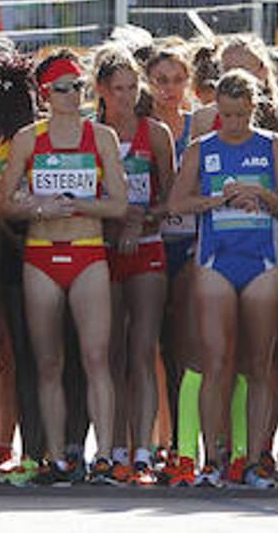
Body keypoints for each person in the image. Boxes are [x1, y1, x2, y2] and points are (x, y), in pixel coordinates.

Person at [0, 51, 128, 484]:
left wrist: (77, 205)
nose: (73, 95)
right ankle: (55, 456)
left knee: (96, 357)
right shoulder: (29, 138)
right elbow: (3, 206)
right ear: (45, 94)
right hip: (40, 255)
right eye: (64, 88)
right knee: (48, 362)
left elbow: (120, 204)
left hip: (88, 250)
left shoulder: (101, 136)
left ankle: (104, 455)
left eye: (78, 87)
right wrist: (37, 207)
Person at [167, 69, 278, 488]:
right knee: (216, 361)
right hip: (215, 259)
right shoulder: (202, 149)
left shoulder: (273, 145)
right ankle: (212, 457)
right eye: (226, 116)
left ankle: (255, 458)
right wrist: (217, 198)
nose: (233, 124)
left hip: (261, 260)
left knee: (260, 362)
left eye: (240, 115)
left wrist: (263, 196)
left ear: (253, 109)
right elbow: (176, 203)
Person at [93, 47, 174, 484]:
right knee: (110, 352)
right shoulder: (90, 133)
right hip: (100, 249)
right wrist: (113, 218)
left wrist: (143, 217)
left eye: (131, 88)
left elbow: (173, 196)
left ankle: (142, 450)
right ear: (102, 91)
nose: (125, 97)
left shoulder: (154, 133)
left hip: (146, 245)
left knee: (144, 350)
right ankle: (115, 447)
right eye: (117, 89)